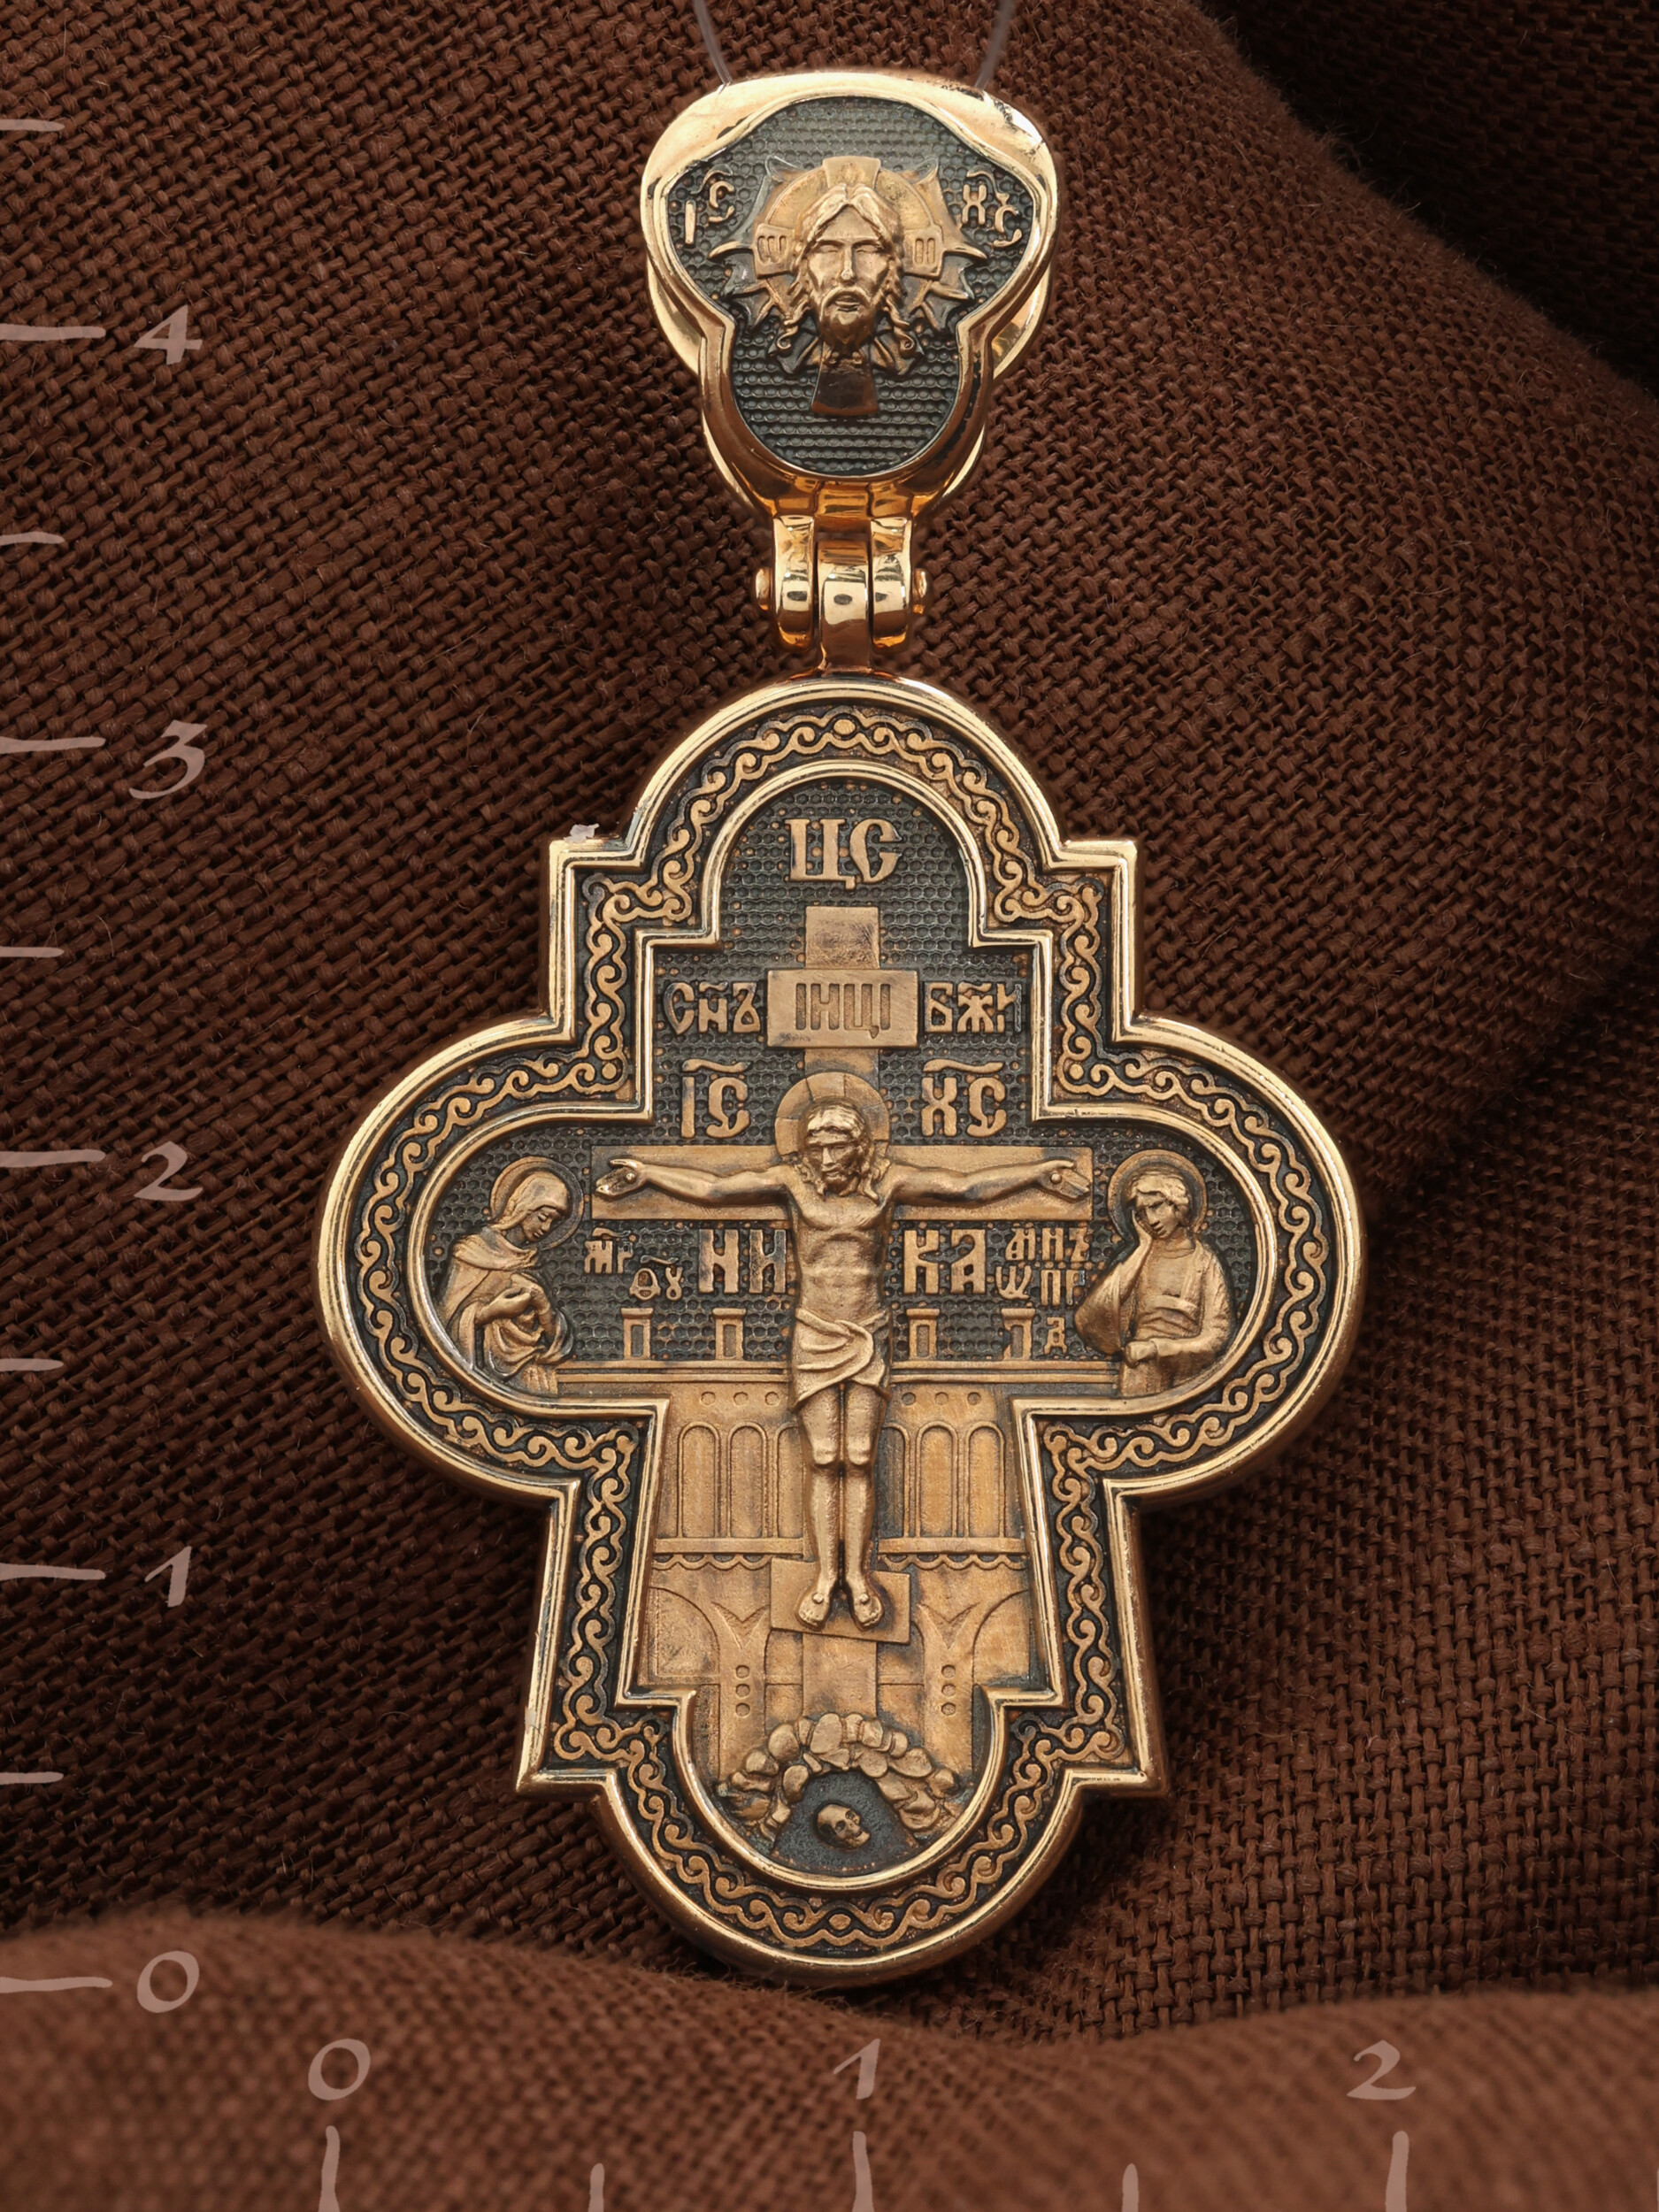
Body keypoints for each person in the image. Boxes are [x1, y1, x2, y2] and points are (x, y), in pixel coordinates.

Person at [597, 1102, 1084, 1629]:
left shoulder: (888, 1182)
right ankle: (826, 1576)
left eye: (837, 1147)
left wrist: (1036, 1173)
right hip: (815, 1333)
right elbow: (716, 1189)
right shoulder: (793, 1182)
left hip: (868, 1332)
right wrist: (649, 1174)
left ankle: (857, 1575)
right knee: (825, 1457)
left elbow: (963, 1188)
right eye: (817, 1148)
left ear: (859, 1147)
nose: (827, 1158)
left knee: (860, 1456)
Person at [1074, 1162, 1233, 1396]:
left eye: (1157, 1206)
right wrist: (1142, 1248)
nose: (1151, 1219)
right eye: (1141, 1213)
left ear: (1177, 1204)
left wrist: (1155, 1349)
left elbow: (1216, 1337)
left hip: (1189, 1377)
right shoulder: (1141, 1261)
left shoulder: (1205, 1262)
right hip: (1139, 1374)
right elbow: (1093, 1316)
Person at [438, 1164, 573, 1396]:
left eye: (554, 1222)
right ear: (524, 1207)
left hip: (533, 1372)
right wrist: (489, 1313)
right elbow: (441, 1323)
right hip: (476, 1379)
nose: (547, 1228)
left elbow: (554, 1339)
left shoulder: (532, 1262)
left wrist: (543, 1303)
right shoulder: (472, 1251)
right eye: (543, 1217)